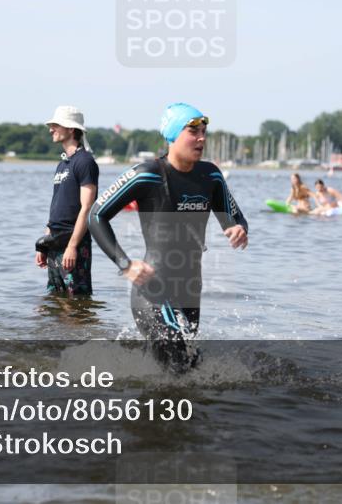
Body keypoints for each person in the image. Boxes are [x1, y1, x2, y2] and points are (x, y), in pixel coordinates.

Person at [88, 103, 248, 371]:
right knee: (177, 364)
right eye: (193, 131)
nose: (201, 138)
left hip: (190, 290)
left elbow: (235, 218)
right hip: (153, 288)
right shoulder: (147, 174)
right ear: (173, 134)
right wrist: (126, 264)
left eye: (204, 132)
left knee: (187, 367)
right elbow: (96, 216)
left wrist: (239, 229)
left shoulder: (210, 176)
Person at [36, 106, 99, 296]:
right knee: (55, 300)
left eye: (56, 125)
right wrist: (44, 244)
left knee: (76, 302)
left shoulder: (85, 162)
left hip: (74, 242)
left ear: (71, 129)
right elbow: (56, 207)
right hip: (55, 242)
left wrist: (72, 247)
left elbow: (87, 208)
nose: (51, 129)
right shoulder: (62, 164)